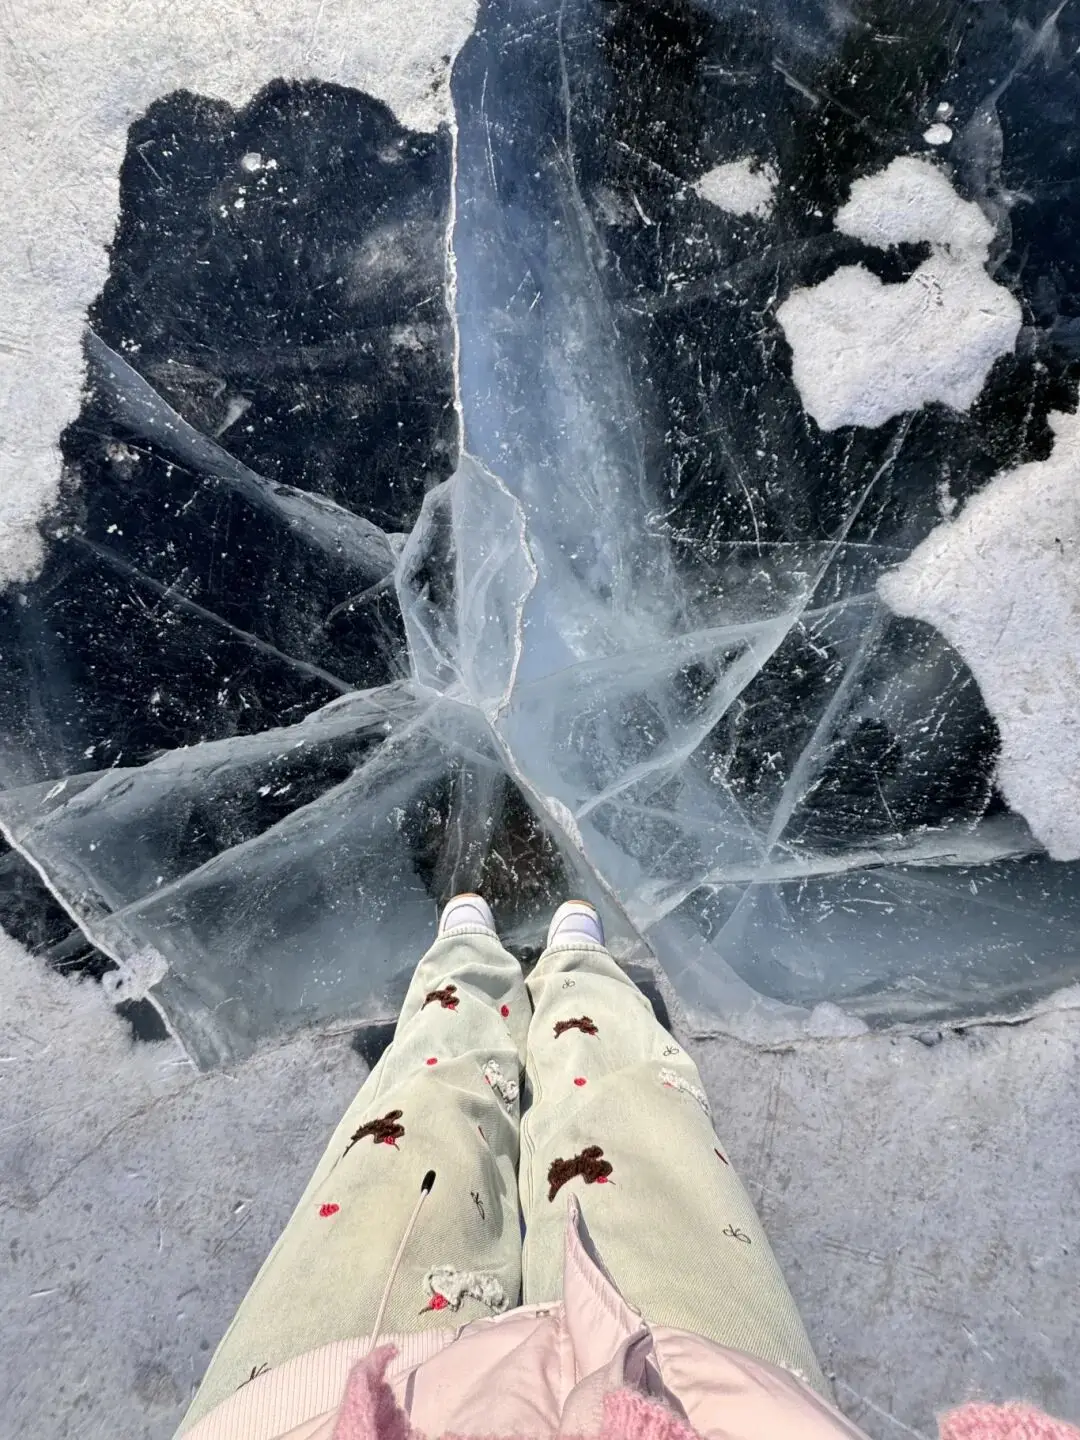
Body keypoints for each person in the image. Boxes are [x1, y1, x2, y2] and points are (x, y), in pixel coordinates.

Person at [176, 897, 1077, 1440]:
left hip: (324, 1408)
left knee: (422, 1112)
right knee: (628, 1117)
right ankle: (576, 971)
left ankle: (468, 963)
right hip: (707, 1404)